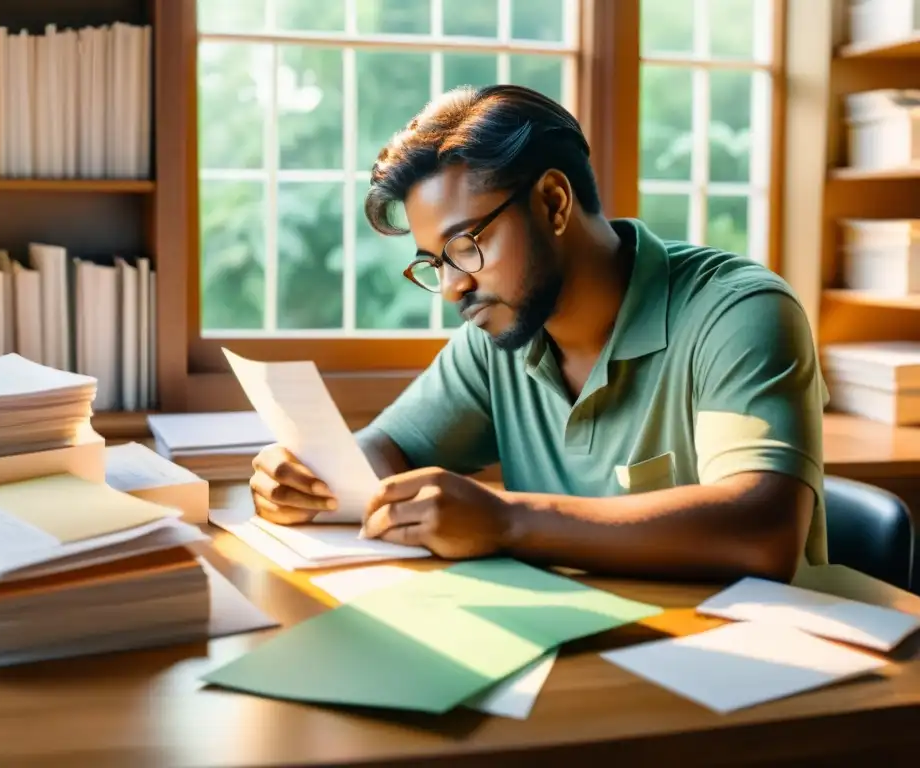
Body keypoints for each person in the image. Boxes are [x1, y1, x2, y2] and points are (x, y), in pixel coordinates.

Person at [249, 84, 828, 583]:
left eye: (465, 246)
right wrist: (312, 478)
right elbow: (387, 453)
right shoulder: (499, 336)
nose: (452, 286)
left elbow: (764, 530)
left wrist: (505, 521)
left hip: (739, 671)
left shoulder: (738, 311)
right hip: (579, 656)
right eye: (435, 262)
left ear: (553, 202)